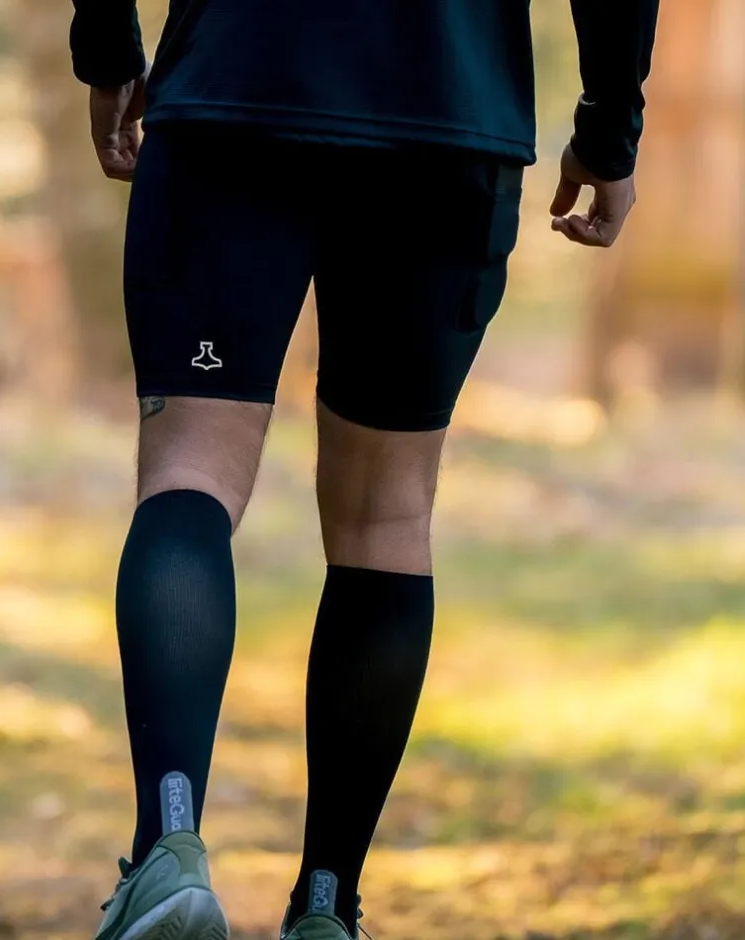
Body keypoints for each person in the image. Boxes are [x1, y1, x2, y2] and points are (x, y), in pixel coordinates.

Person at [68, 1, 660, 938]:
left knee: (192, 470)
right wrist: (609, 124)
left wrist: (108, 48)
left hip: (236, 90)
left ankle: (167, 851)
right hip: (449, 115)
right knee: (385, 517)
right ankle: (326, 901)